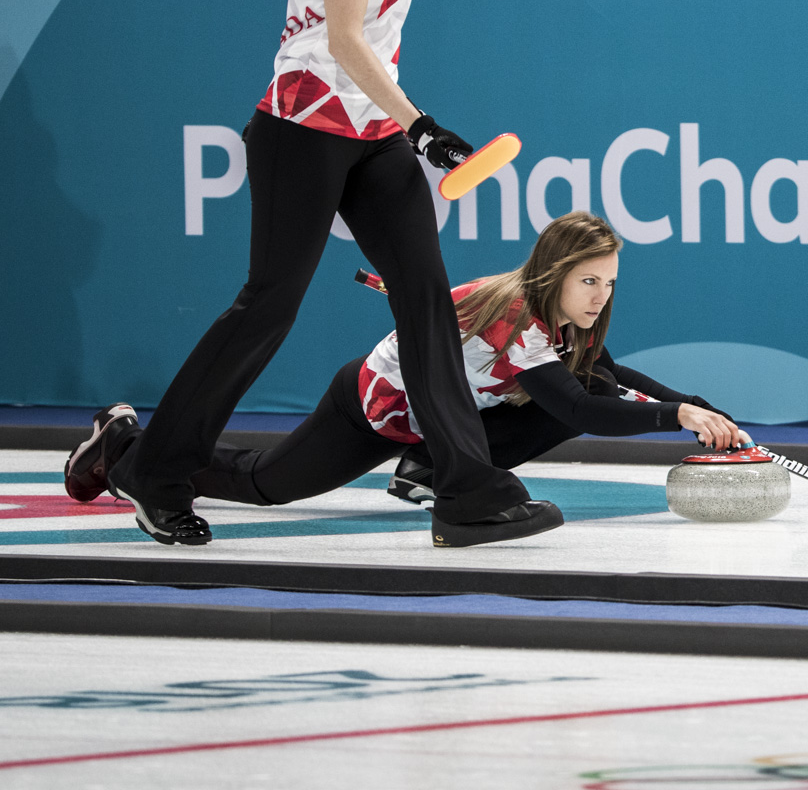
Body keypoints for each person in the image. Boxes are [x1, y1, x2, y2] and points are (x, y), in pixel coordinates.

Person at [94, 0, 555, 547]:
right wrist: (423, 128)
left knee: (427, 301)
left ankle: (468, 497)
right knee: (268, 305)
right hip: (302, 129)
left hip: (376, 137)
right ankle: (152, 471)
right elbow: (343, 39)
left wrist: (403, 125)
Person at [64, 212, 747, 544]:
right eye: (587, 280)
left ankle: (428, 466)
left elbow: (602, 373)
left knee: (578, 391)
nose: (599, 295)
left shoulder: (558, 320)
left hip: (438, 419)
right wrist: (674, 420)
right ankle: (122, 448)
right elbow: (582, 405)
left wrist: (690, 403)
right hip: (373, 408)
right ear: (552, 275)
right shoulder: (517, 317)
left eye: (608, 282)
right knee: (264, 485)